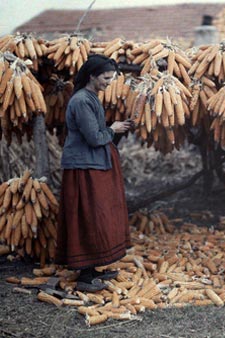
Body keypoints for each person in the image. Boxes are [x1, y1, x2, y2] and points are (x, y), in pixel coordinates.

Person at [56, 55, 133, 292]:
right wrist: (113, 128)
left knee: (99, 215)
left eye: (112, 78)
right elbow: (94, 137)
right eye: (106, 78)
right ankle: (84, 278)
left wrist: (117, 128)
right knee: (88, 216)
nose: (110, 82)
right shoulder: (81, 101)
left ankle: (93, 267)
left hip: (94, 165)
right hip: (84, 167)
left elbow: (97, 132)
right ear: (92, 75)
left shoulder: (91, 97)